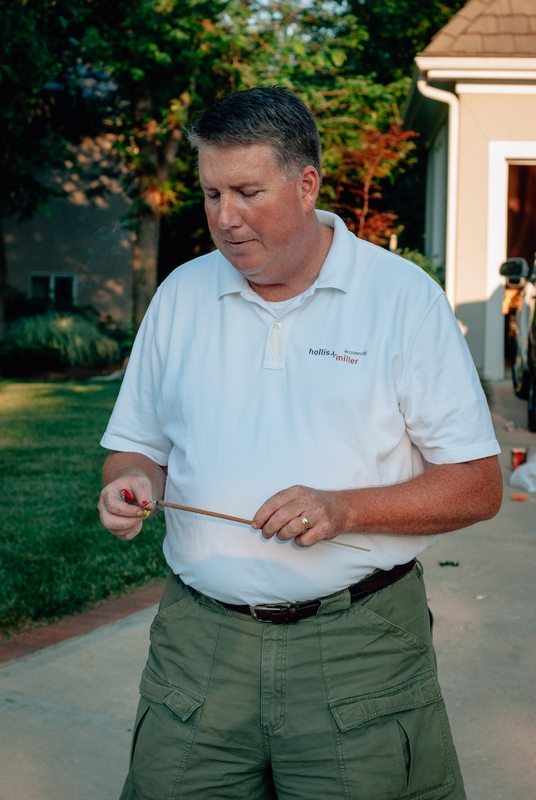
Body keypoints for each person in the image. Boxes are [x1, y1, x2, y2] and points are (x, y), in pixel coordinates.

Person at [99, 86, 502, 800]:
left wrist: (346, 510)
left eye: (247, 191)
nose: (225, 218)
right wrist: (131, 485)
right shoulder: (181, 296)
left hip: (360, 647)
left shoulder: (401, 299)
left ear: (306, 183)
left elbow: (477, 484)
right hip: (198, 649)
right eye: (211, 193)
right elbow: (137, 448)